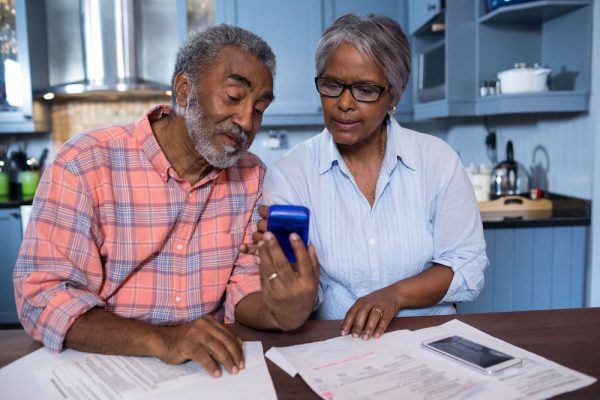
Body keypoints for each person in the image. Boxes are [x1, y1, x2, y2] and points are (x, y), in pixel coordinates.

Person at [13, 24, 319, 378]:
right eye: (235, 96)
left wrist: (284, 310)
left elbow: (245, 289)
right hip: (100, 366)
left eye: (260, 108)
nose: (247, 121)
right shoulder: (85, 162)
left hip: (207, 371)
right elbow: (43, 297)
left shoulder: (252, 177)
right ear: (184, 89)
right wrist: (163, 341)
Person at [244, 14, 487, 341]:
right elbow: (302, 295)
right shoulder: (292, 173)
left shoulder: (437, 160)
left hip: (431, 340)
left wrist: (393, 295)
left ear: (394, 94)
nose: (344, 103)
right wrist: (285, 270)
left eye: (365, 89)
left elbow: (467, 266)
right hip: (336, 343)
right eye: (332, 84)